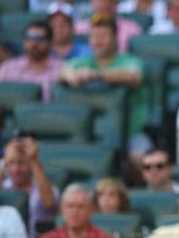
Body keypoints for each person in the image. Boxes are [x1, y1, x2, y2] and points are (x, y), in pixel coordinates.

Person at [59, 16, 150, 157]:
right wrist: (69, 76)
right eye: (94, 37)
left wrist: (96, 75)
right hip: (86, 133)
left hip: (129, 132)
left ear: (115, 38)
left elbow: (134, 77)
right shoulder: (80, 62)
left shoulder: (130, 61)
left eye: (103, 36)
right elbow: (61, 74)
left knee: (139, 160)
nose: (98, 41)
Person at [0, 136, 59, 238]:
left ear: (31, 165)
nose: (16, 169)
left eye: (21, 163)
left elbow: (49, 203)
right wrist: (4, 159)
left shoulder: (44, 187)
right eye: (11, 163)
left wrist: (34, 159)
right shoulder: (3, 186)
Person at [0, 21, 64, 102]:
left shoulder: (62, 68)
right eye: (29, 37)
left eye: (39, 38)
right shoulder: (7, 68)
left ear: (50, 42)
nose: (34, 43)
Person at [74, 0, 142, 52]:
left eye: (110, 0)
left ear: (117, 2)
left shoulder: (131, 28)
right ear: (92, 2)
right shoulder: (79, 28)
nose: (105, 4)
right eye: (101, 0)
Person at [39, 183, 114, 238]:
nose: (75, 211)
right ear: (62, 210)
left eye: (80, 207)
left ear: (90, 210)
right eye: (70, 206)